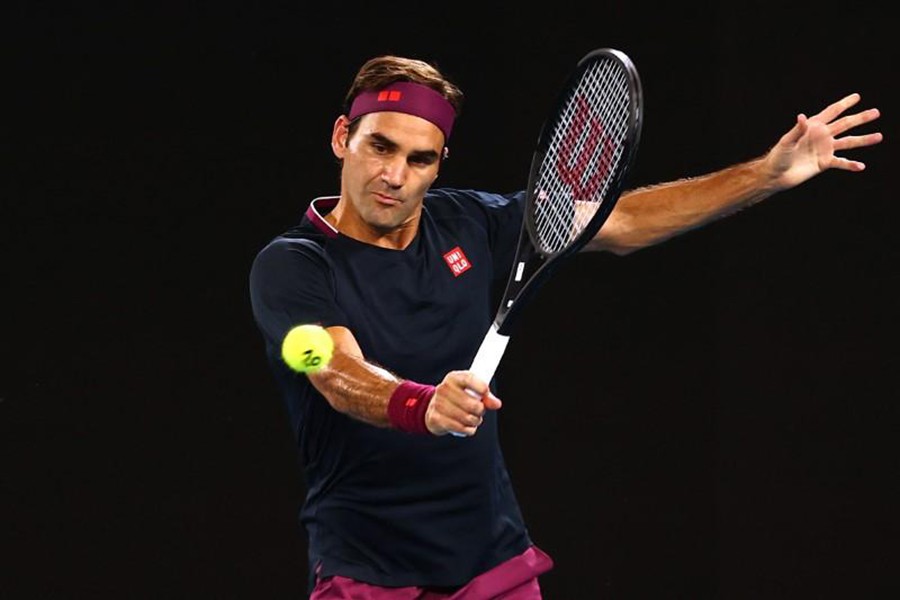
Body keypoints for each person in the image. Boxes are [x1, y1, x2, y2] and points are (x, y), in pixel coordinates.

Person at [248, 54, 882, 599]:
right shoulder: (294, 264)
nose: (394, 175)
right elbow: (335, 371)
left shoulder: (469, 223)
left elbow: (622, 221)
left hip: (491, 562)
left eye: (420, 158)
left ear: (440, 163)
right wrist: (423, 405)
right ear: (342, 139)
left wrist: (765, 174)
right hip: (366, 569)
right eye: (379, 147)